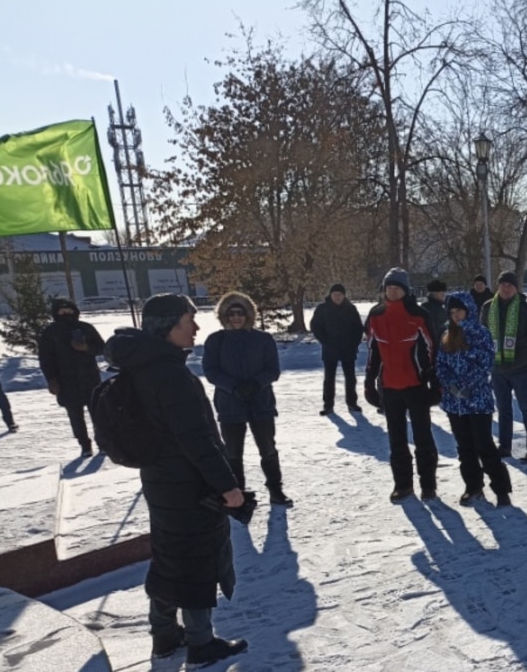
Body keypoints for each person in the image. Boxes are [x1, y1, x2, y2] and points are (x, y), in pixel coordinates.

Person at [104, 294, 248, 667]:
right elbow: (196, 440)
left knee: (169, 556)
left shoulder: (142, 365)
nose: (196, 328)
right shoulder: (169, 374)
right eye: (188, 320)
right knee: (195, 560)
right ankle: (201, 642)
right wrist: (227, 486)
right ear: (168, 327)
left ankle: (164, 636)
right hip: (188, 484)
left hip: (160, 480)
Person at [201, 292, 292, 507]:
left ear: (248, 314)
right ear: (224, 316)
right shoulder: (216, 341)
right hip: (230, 405)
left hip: (261, 404)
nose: (236, 318)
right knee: (233, 452)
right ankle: (238, 494)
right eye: (231, 313)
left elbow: (273, 370)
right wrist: (233, 387)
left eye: (240, 313)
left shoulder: (263, 339)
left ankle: (275, 490)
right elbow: (211, 371)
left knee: (267, 448)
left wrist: (256, 384)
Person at [364, 268, 441, 502]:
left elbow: (432, 349)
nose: (393, 291)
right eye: (389, 287)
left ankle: (428, 485)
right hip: (389, 386)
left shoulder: (418, 314)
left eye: (397, 287)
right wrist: (369, 383)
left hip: (415, 385)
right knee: (396, 440)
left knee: (423, 438)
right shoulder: (376, 315)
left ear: (405, 290)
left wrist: (434, 382)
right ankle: (403, 484)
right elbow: (372, 352)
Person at [437, 292, 512, 507]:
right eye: (452, 312)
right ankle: (473, 486)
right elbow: (441, 363)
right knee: (464, 448)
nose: (456, 316)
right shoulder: (447, 334)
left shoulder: (481, 334)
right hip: (455, 403)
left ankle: (501, 489)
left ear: (468, 310)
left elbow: (485, 363)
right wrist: (450, 384)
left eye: (459, 311)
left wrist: (466, 385)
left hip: (477, 401)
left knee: (484, 445)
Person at [481, 271, 527, 463]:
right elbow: (483, 335)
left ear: (516, 288)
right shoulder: (488, 308)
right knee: (503, 410)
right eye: (502, 285)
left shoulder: (525, 309)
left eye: (510, 285)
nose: (506, 288)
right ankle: (505, 446)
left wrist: (526, 356)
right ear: (498, 286)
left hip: (520, 369)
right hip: (497, 369)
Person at [38, 298, 105, 456]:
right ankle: (85, 446)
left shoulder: (86, 328)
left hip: (90, 379)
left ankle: (103, 443)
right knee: (76, 417)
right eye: (62, 311)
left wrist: (86, 348)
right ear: (56, 313)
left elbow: (101, 347)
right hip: (66, 381)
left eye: (69, 310)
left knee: (99, 414)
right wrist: (51, 379)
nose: (66, 313)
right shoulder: (50, 332)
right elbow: (45, 358)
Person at [310, 283, 365, 416]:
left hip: (348, 349)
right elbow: (315, 326)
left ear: (344, 295)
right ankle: (328, 405)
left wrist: (354, 344)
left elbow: (358, 328)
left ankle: (352, 403)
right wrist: (325, 341)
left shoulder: (351, 309)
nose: (338, 297)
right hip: (330, 349)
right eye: (335, 294)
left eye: (340, 294)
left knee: (350, 378)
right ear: (330, 295)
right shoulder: (322, 309)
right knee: (329, 379)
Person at [422, 279, 449, 345]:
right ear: (435, 293)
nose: (443, 294)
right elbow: (435, 330)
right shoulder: (433, 308)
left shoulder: (436, 306)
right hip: (436, 345)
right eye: (441, 292)